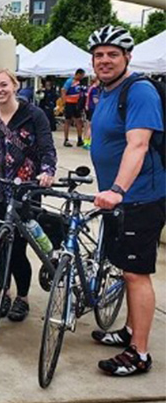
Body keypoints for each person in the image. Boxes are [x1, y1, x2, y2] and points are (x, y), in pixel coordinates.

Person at [87, 25, 165, 377]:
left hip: (140, 198)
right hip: (117, 200)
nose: (104, 60)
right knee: (125, 267)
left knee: (136, 273)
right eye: (99, 55)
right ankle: (130, 332)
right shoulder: (104, 92)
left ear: (127, 57)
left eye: (112, 54)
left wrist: (117, 190)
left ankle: (140, 353)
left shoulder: (140, 91)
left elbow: (139, 145)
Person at [0, 68, 57, 322]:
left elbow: (47, 146)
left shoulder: (34, 114)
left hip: (26, 192)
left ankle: (22, 298)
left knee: (19, 247)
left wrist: (47, 171)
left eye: (4, 84)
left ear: (14, 85)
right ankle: (4, 292)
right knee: (1, 245)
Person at [61, 68, 86, 147]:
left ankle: (79, 139)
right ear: (78, 74)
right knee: (68, 121)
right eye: (82, 75)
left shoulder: (78, 82)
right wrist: (64, 101)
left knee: (79, 121)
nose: (82, 77)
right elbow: (63, 90)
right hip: (69, 103)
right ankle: (66, 139)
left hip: (76, 104)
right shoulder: (70, 81)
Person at [83, 77, 101, 149]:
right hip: (92, 108)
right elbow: (93, 99)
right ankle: (87, 142)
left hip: (91, 108)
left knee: (88, 125)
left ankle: (87, 141)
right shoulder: (94, 89)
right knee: (90, 126)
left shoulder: (94, 88)